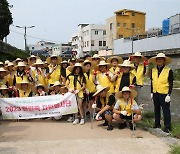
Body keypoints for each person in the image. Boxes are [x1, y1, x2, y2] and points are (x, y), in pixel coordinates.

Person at [149, 53, 173, 133]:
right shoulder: (153, 70)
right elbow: (152, 82)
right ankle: (157, 124)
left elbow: (171, 83)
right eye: (158, 59)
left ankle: (167, 126)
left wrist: (169, 94)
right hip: (156, 92)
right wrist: (151, 92)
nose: (159, 61)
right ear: (156, 61)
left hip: (164, 93)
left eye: (161, 59)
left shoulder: (168, 70)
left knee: (166, 110)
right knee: (156, 109)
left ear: (164, 61)